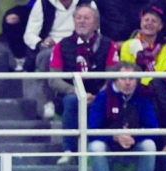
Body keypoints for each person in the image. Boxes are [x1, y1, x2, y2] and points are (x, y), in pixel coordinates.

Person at [48, 3, 119, 159]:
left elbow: (112, 77)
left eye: (87, 18)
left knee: (107, 100)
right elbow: (54, 79)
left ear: (96, 23)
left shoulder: (109, 45)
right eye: (78, 18)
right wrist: (77, 92)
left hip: (100, 93)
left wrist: (98, 95)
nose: (82, 21)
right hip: (71, 94)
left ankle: (101, 149)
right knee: (73, 100)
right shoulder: (61, 45)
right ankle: (69, 151)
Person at [88, 61, 159, 171]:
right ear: (115, 80)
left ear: (137, 80)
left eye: (131, 78)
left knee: (149, 145)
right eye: (123, 78)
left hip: (134, 144)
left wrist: (133, 136)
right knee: (95, 147)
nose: (127, 82)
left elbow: (154, 130)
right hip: (109, 145)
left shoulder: (144, 96)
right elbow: (92, 131)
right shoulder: (103, 97)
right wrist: (115, 136)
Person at [120, 4, 166, 84]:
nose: (149, 23)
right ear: (141, 23)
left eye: (154, 21)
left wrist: (147, 85)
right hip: (133, 86)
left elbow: (162, 76)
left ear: (160, 26)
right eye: (146, 20)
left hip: (156, 88)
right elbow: (127, 71)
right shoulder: (127, 45)